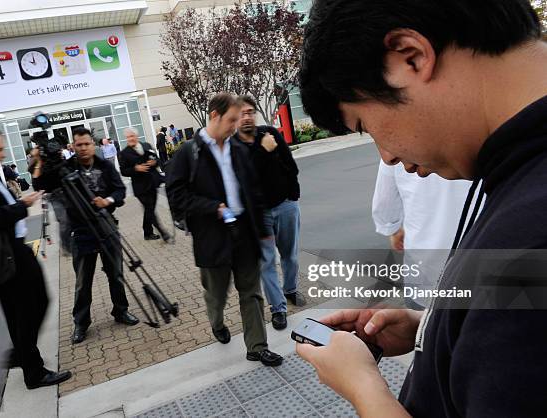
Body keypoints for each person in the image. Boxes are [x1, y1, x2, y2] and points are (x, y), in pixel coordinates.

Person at [297, 0, 547, 416]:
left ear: (410, 57)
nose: (388, 157)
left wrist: (363, 388)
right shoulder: (517, 172)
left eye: (366, 126)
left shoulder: (533, 224)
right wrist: (433, 329)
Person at [166, 93, 283, 367]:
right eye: (231, 119)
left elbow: (253, 191)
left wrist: (264, 228)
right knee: (217, 294)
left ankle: (257, 346)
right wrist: (212, 207)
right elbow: (176, 195)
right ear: (214, 116)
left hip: (244, 232)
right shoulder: (189, 152)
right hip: (212, 235)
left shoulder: (239, 149)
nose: (235, 125)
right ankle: (216, 322)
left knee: (251, 292)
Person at [0, 126, 71, 389]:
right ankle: (31, 367)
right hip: (6, 253)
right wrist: (21, 206)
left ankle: (25, 358)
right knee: (30, 305)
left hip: (12, 249)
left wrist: (19, 203)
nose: (2, 154)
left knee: (24, 309)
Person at [33, 127, 139, 344]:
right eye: (78, 145)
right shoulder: (65, 169)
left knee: (116, 274)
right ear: (73, 146)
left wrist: (107, 201)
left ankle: (121, 311)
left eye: (86, 144)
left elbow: (120, 190)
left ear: (93, 144)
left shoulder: (105, 166)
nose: (83, 148)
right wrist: (38, 162)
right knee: (83, 282)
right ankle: (81, 323)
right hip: (81, 232)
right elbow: (40, 184)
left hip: (107, 227)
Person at [234, 95, 304, 330]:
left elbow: (291, 167)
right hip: (258, 213)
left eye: (250, 112)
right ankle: (278, 309)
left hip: (285, 205)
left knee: (290, 256)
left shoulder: (270, 135)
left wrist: (293, 196)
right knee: (266, 263)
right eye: (242, 113)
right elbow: (247, 178)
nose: (247, 116)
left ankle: (291, 289)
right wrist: (264, 153)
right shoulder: (233, 147)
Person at [372, 160, 472, 307]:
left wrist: (394, 230)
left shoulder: (394, 146)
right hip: (478, 268)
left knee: (419, 324)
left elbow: (385, 207)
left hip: (424, 271)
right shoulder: (480, 141)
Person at [119, 127, 171, 242]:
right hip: (140, 187)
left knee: (149, 209)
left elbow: (157, 159)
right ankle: (164, 233)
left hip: (152, 183)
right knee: (149, 208)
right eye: (128, 137)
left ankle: (147, 232)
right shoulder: (124, 153)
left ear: (136, 136)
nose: (130, 139)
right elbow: (123, 171)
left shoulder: (147, 146)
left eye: (132, 136)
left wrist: (155, 162)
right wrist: (135, 168)